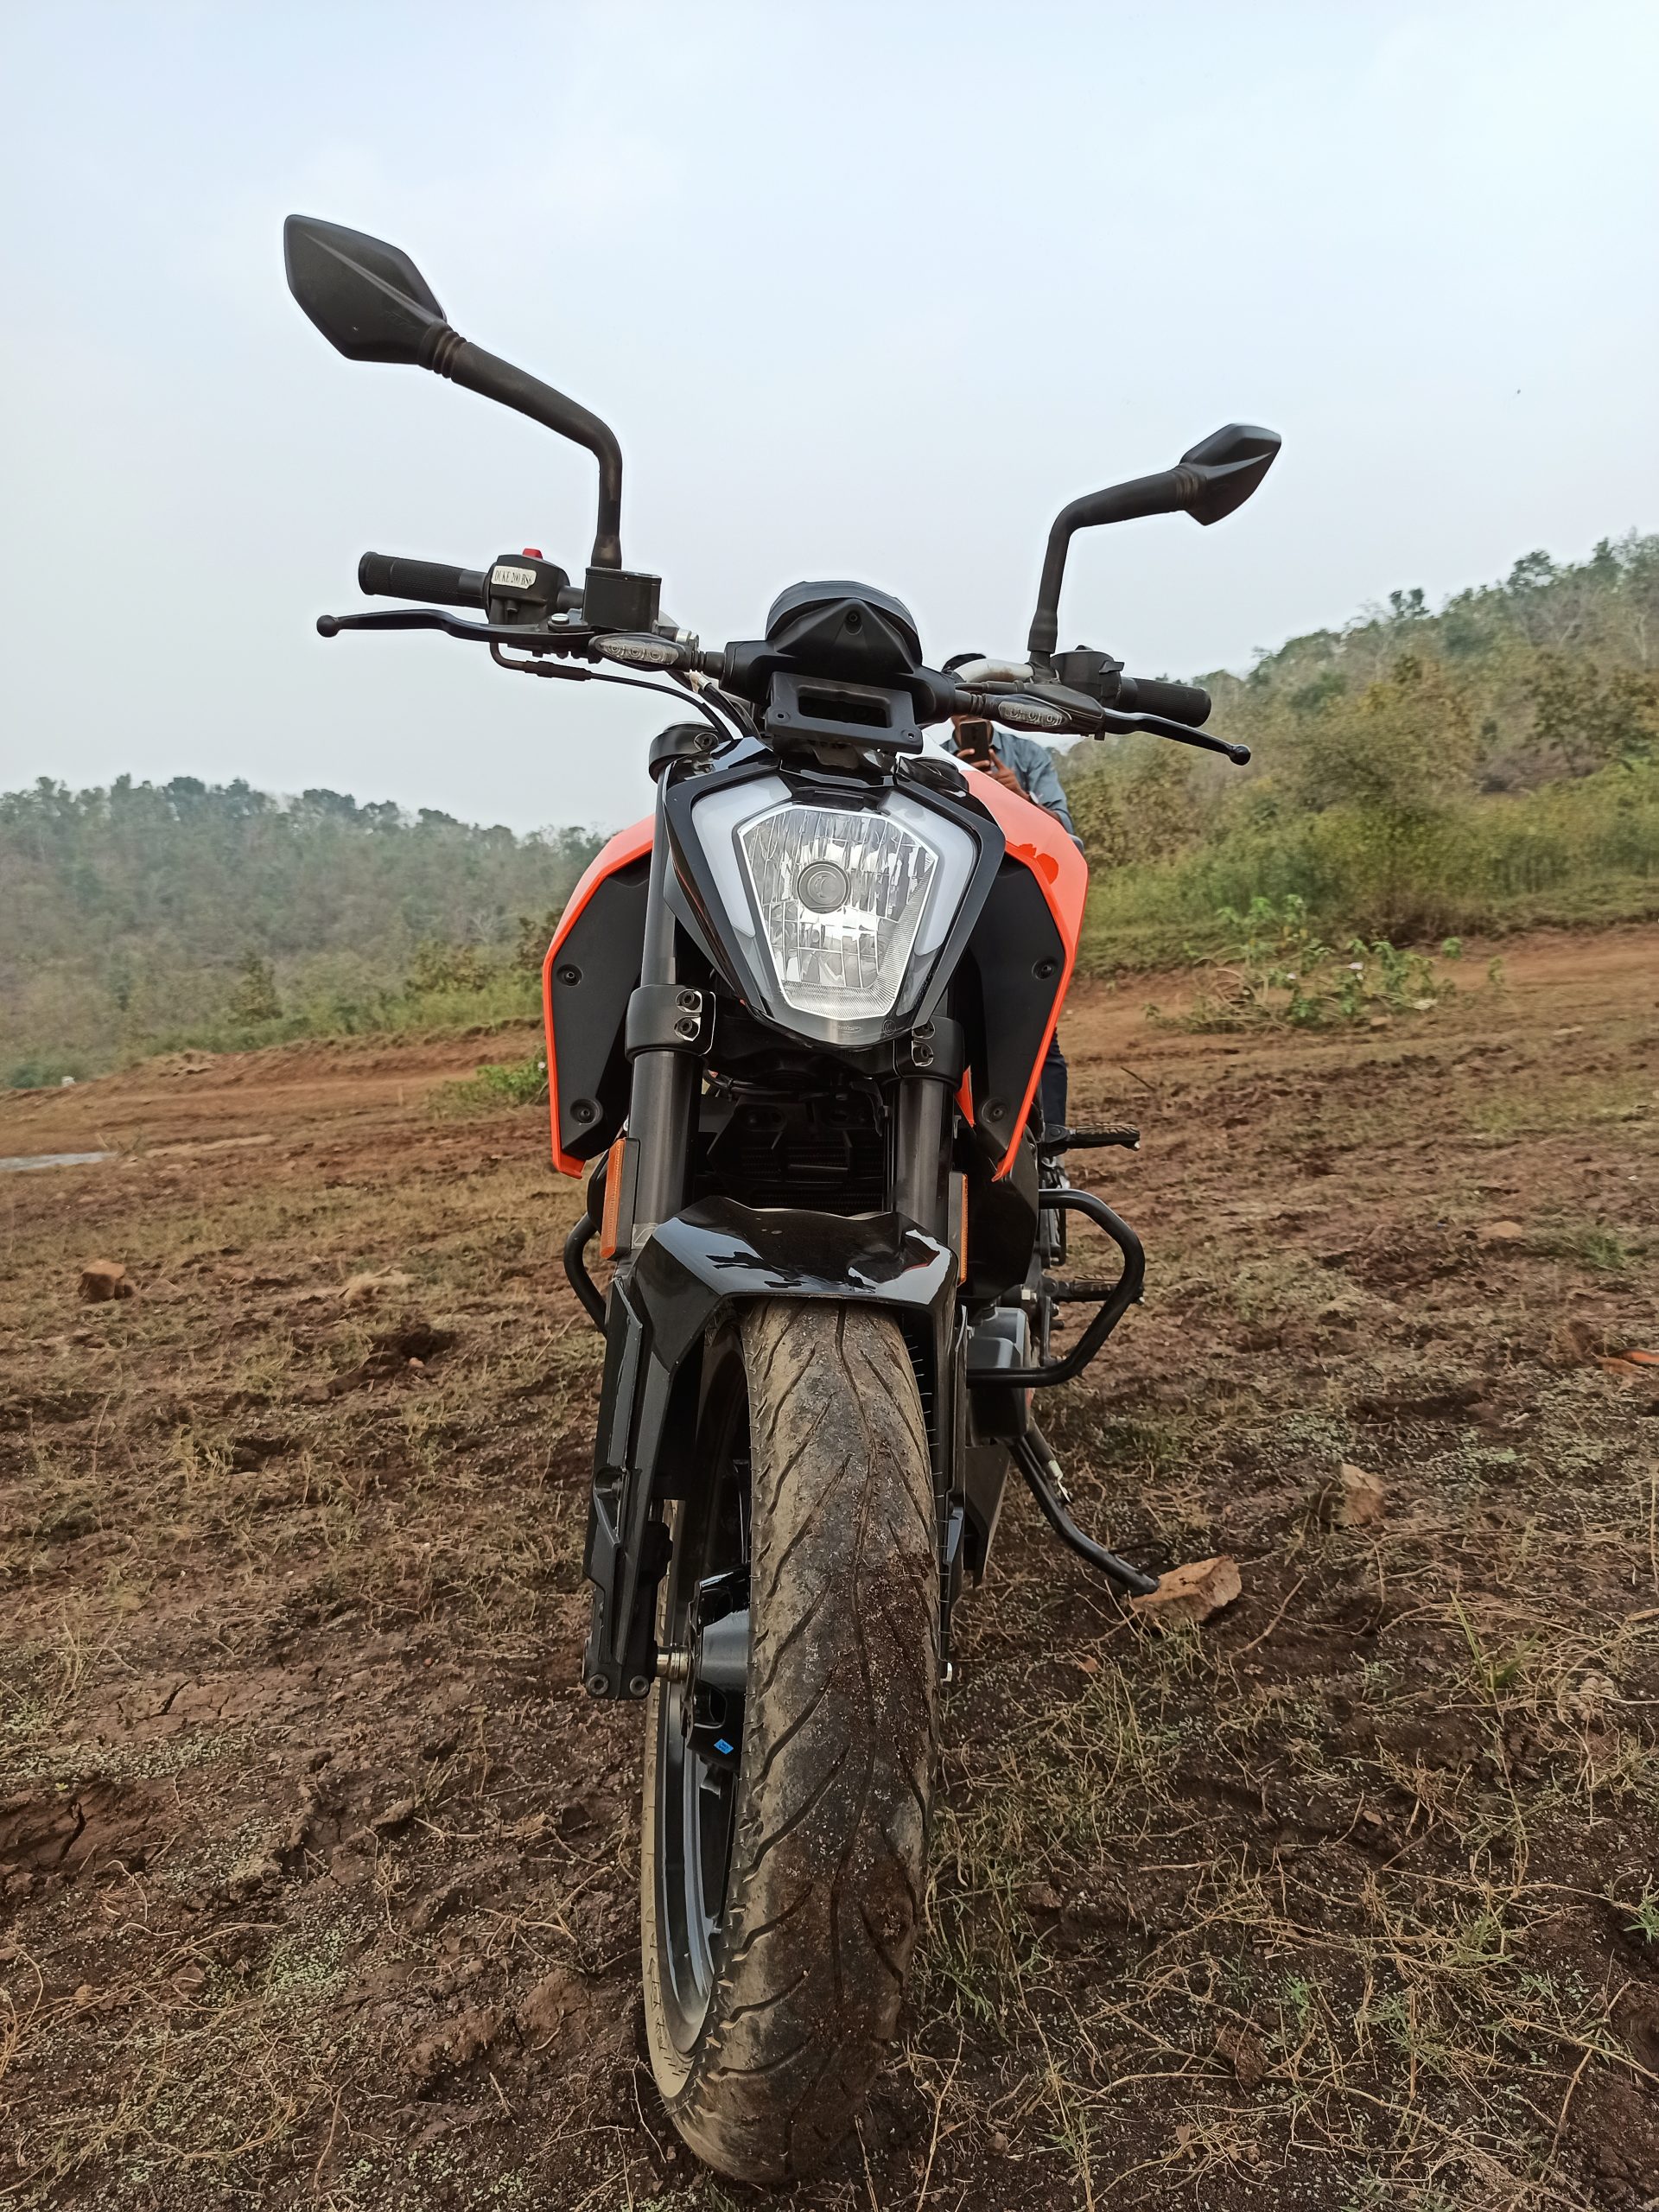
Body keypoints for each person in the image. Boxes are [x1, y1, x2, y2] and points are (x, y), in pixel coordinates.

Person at [941, 655, 1077, 1136]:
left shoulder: (1029, 758)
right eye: (959, 704)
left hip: (1018, 906)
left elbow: (1067, 836)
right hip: (954, 914)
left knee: (1036, 1035)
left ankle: (1051, 1145)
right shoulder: (931, 761)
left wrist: (1018, 797)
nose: (969, 714)